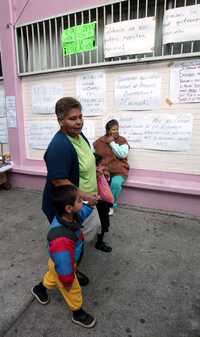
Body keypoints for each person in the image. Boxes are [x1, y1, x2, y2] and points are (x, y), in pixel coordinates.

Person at [41, 97, 100, 286]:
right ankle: (64, 274)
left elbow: (84, 160)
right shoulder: (59, 146)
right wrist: (85, 196)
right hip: (69, 206)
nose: (79, 121)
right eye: (72, 118)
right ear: (60, 121)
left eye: (80, 117)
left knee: (84, 236)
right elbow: (58, 180)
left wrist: (96, 169)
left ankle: (72, 265)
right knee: (71, 244)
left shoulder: (78, 135)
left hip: (83, 201)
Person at [32, 185, 96, 328]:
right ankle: (77, 313)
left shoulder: (68, 216)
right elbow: (63, 261)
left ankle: (39, 289)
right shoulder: (61, 238)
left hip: (59, 264)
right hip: (65, 267)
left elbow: (81, 213)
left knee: (52, 278)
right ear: (68, 208)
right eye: (80, 200)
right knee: (73, 291)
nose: (83, 202)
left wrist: (90, 205)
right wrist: (68, 279)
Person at [93, 119, 129, 216]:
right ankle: (98, 203)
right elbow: (96, 156)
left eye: (117, 129)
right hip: (104, 170)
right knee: (97, 183)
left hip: (119, 170)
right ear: (108, 130)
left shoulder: (122, 140)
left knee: (116, 184)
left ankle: (110, 205)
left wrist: (112, 143)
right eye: (113, 129)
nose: (116, 131)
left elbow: (122, 154)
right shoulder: (100, 141)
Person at [95, 154, 112, 253]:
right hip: (99, 203)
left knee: (103, 221)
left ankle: (99, 239)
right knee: (102, 223)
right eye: (102, 165)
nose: (104, 167)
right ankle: (99, 243)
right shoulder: (94, 176)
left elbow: (106, 187)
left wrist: (106, 176)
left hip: (104, 202)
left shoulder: (101, 174)